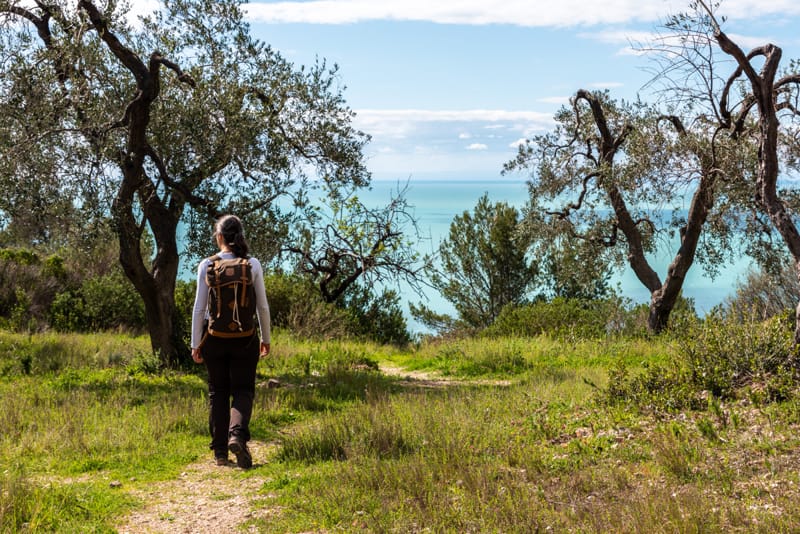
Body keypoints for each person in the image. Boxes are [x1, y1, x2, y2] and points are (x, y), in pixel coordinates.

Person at [191, 215, 271, 468]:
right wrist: (266, 338)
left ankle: (220, 453)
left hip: (214, 339)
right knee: (243, 390)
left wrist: (195, 343)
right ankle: (237, 435)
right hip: (246, 339)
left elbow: (198, 308)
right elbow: (262, 307)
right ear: (240, 236)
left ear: (220, 237)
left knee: (218, 391)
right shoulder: (252, 264)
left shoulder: (207, 264)